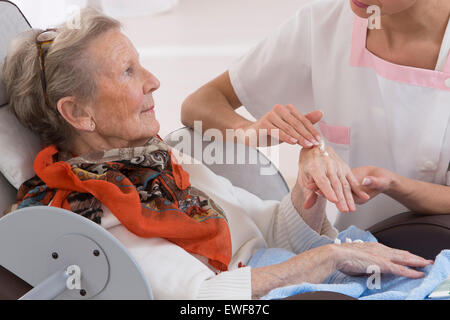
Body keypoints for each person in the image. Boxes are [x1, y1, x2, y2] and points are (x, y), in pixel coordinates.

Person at [2, 8, 433, 300]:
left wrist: (308, 190)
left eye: (142, 64)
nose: (153, 81)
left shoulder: (157, 164)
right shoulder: (93, 208)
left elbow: (268, 230)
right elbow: (201, 297)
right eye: (128, 72)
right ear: (78, 113)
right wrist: (329, 258)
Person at [181, 0, 450, 231]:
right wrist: (249, 132)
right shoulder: (325, 23)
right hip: (359, 254)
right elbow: (199, 104)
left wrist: (396, 185)